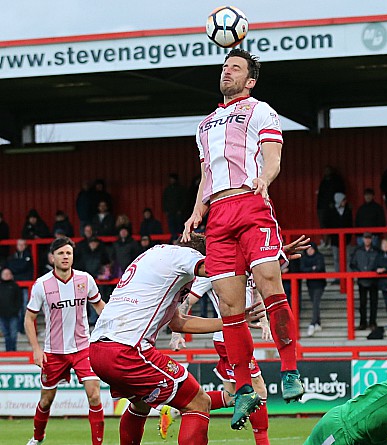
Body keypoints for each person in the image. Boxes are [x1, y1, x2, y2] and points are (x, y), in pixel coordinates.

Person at [182, 47, 304, 429]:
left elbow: (273, 156)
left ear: (249, 80)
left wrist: (264, 180)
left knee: (269, 279)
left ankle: (289, 369)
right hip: (217, 216)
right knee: (230, 307)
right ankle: (245, 387)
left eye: (235, 68)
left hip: (251, 204)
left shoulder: (261, 110)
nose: (227, 71)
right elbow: (207, 174)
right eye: (225, 66)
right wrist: (197, 211)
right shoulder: (204, 125)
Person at [89, 235, 251, 445]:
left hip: (99, 349)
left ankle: (232, 398)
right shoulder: (186, 255)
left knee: (140, 405)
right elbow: (217, 270)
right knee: (198, 403)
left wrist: (230, 321)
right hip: (127, 349)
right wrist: (262, 258)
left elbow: (178, 323)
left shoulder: (156, 257)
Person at [167, 275, 273, 445]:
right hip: (228, 338)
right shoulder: (214, 271)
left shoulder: (247, 263)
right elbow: (187, 301)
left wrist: (264, 321)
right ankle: (263, 442)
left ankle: (175, 408)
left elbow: (256, 293)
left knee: (232, 397)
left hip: (240, 335)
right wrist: (176, 332)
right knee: (259, 390)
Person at [24, 237, 105, 445]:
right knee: (46, 400)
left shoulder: (85, 280)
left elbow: (99, 307)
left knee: (94, 395)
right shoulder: (42, 285)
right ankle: (37, 438)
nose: (65, 257)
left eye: (68, 253)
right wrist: (36, 349)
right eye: (61, 253)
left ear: (73, 256)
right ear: (53, 257)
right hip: (54, 351)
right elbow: (29, 318)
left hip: (83, 349)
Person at [350, 233, 379, 330]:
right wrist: (358, 273)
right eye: (366, 238)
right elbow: (352, 264)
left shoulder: (376, 251)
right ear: (362, 239)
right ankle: (363, 323)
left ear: (371, 239)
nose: (367, 240)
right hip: (361, 280)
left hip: (373, 280)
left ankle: (372, 322)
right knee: (362, 303)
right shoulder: (358, 251)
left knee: (373, 302)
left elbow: (380, 262)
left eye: (369, 238)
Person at [300, 242, 326, 337]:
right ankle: (318, 323)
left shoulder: (319, 256)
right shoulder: (305, 258)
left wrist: (311, 269)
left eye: (311, 249)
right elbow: (302, 268)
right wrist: (312, 268)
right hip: (310, 284)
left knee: (315, 302)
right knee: (314, 302)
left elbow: (320, 267)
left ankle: (312, 323)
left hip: (319, 284)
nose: (310, 251)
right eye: (308, 249)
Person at [0, 267, 22, 351]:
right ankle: (8, 350)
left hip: (13, 314)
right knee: (6, 333)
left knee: (13, 333)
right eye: (4, 274)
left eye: (8, 274)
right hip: (2, 314)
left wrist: (16, 310)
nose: (6, 275)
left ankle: (13, 349)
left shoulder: (15, 286)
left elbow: (19, 300)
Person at [163, 173, 188, 241]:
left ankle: (179, 238)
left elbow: (184, 200)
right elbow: (164, 200)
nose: (171, 180)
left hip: (179, 212)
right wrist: (166, 210)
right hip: (170, 212)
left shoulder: (181, 189)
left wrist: (181, 210)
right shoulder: (167, 190)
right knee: (171, 226)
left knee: (179, 226)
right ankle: (173, 239)